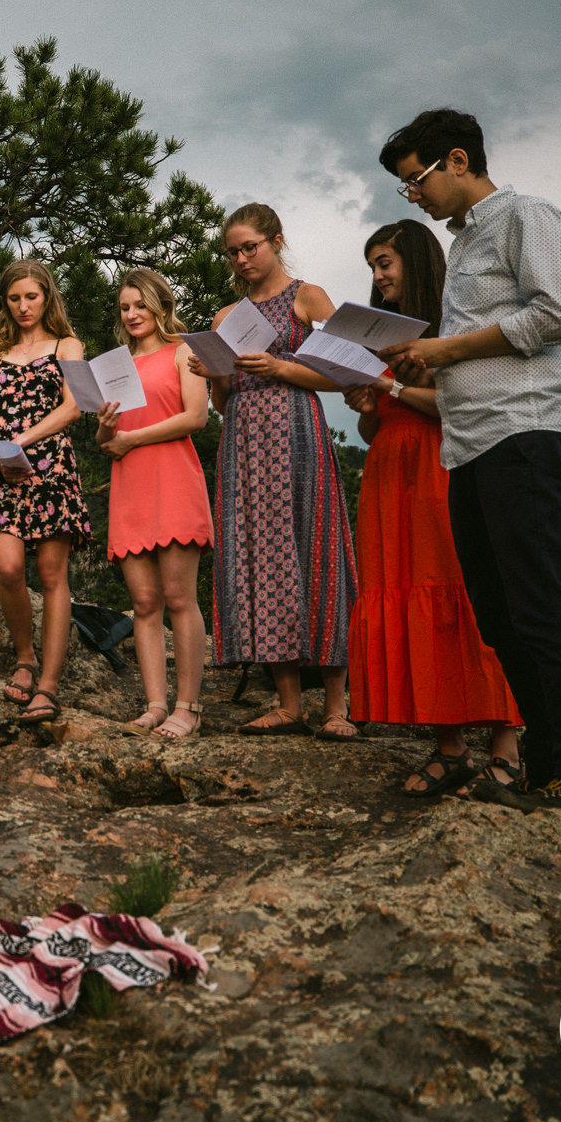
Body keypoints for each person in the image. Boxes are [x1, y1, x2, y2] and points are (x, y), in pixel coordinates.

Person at [377, 109, 561, 829]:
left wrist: (447, 351)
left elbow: (555, 315)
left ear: (458, 159)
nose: (412, 195)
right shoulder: (465, 244)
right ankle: (546, 773)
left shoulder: (526, 216)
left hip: (527, 432)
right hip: (471, 445)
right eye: (403, 187)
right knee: (500, 615)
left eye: (415, 180)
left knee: (540, 607)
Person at [344, 219, 522, 796]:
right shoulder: (379, 338)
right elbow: (373, 431)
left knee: (465, 592)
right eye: (373, 265)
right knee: (408, 594)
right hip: (390, 473)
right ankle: (449, 747)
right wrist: (367, 402)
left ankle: (506, 744)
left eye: (386, 263)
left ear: (415, 263)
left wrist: (394, 389)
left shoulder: (453, 326)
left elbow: (458, 406)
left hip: (443, 466)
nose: (378, 275)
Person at [190, 203, 357, 738]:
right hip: (243, 441)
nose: (241, 259)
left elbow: (350, 374)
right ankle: (289, 703)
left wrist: (283, 366)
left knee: (314, 550)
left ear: (276, 241)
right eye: (232, 252)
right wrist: (213, 372)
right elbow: (220, 401)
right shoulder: (225, 318)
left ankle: (337, 706)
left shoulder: (308, 297)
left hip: (297, 433)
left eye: (250, 248)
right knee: (260, 562)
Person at [94, 269, 213, 742]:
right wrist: (106, 428)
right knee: (144, 603)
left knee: (181, 598)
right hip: (131, 485)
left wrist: (130, 439)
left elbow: (196, 417)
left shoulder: (185, 351)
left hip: (173, 479)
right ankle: (155, 705)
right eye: (125, 307)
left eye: (140, 304)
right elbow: (105, 439)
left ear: (160, 305)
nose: (132, 314)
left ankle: (190, 707)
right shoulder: (113, 365)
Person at [0, 260, 91, 725]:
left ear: (47, 298)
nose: (24, 306)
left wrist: (21, 441)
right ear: (4, 301)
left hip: (52, 468)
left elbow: (76, 405)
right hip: (3, 470)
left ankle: (48, 684)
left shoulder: (68, 345)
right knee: (7, 567)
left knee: (50, 573)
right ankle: (25, 657)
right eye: (15, 298)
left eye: (32, 297)